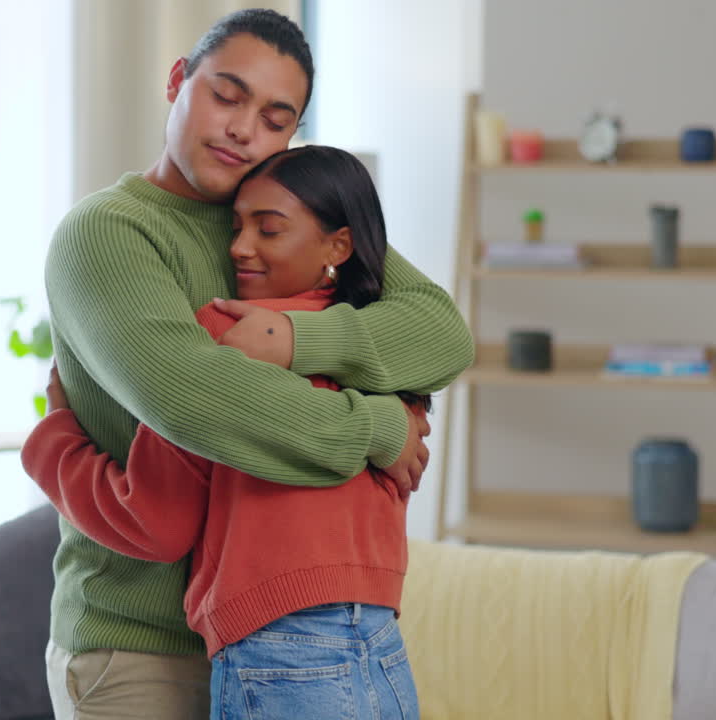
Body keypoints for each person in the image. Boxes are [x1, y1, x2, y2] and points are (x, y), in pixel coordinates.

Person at [39, 9, 473, 720]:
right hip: (141, 648)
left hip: (285, 635)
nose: (245, 130)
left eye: (276, 118)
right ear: (178, 80)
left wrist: (295, 342)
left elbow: (440, 334)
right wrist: (377, 427)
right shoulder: (107, 234)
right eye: (226, 95)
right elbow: (198, 400)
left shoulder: (279, 209)